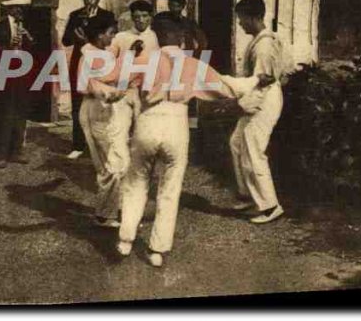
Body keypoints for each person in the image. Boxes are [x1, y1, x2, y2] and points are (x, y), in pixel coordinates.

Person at [116, 19, 274, 267]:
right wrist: (256, 81)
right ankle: (157, 250)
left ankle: (125, 240)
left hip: (147, 122)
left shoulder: (144, 60)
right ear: (182, 41)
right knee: (170, 188)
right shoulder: (191, 64)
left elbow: (118, 80)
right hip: (176, 123)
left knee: (136, 182)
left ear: (158, 39)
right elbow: (226, 86)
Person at [76, 13, 136, 228]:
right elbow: (86, 85)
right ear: (100, 35)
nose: (113, 38)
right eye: (110, 34)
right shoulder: (89, 56)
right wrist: (107, 92)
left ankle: (112, 209)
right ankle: (105, 214)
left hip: (111, 110)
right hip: (98, 110)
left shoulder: (102, 52)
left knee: (119, 162)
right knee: (113, 164)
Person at [229, 0, 285, 224]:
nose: (240, 24)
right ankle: (248, 196)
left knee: (254, 150)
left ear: (252, 18)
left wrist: (243, 98)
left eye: (242, 19)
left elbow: (265, 79)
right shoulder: (262, 38)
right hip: (261, 94)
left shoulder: (263, 45)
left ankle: (270, 205)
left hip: (264, 99)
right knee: (236, 142)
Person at [61, 0, 115, 160]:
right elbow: (65, 40)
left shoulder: (107, 16)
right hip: (80, 64)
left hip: (100, 63)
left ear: (98, 0)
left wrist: (88, 30)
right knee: (79, 105)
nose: (89, 2)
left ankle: (101, 145)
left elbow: (109, 41)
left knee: (101, 104)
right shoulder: (76, 16)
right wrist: (77, 30)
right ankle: (78, 145)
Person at [0, 0, 34, 168]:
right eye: (18, 8)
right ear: (10, 9)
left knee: (20, 113)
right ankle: (1, 155)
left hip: (21, 74)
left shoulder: (23, 28)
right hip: (4, 74)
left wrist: (28, 38)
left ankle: (17, 152)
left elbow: (31, 50)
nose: (21, 11)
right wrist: (9, 46)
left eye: (22, 8)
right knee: (5, 115)